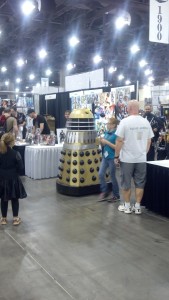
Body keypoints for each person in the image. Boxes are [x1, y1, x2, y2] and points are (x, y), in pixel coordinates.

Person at [115, 100, 154, 214]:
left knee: (126, 183)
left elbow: (119, 140)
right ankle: (137, 206)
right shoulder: (145, 122)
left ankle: (127, 206)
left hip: (127, 159)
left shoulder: (124, 122)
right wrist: (144, 152)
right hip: (141, 158)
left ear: (129, 108)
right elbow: (149, 140)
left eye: (127, 107)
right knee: (140, 183)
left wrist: (116, 156)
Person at [0, 133, 27, 225]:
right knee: (14, 198)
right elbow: (21, 168)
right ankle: (15, 219)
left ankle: (3, 219)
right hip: (13, 179)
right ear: (12, 143)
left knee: (3, 199)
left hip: (2, 179)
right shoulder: (16, 154)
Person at [98, 117, 120, 202]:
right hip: (105, 157)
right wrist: (102, 142)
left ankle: (116, 195)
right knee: (100, 174)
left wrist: (106, 142)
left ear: (113, 125)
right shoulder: (106, 133)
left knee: (112, 176)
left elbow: (117, 147)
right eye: (107, 123)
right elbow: (104, 145)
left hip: (112, 158)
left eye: (108, 123)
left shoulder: (117, 135)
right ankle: (105, 191)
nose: (107, 125)